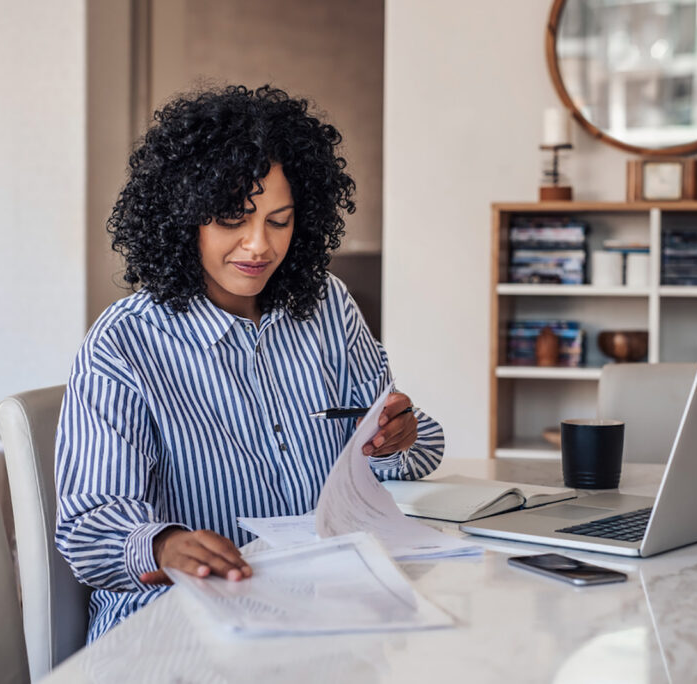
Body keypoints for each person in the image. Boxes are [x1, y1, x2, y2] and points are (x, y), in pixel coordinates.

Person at [55, 85, 444, 642]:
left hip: (326, 608)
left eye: (279, 221)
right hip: (177, 625)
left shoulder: (329, 307)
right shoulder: (125, 341)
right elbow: (91, 524)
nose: (258, 245)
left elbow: (393, 460)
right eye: (232, 219)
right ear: (183, 217)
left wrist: (397, 437)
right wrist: (164, 545)